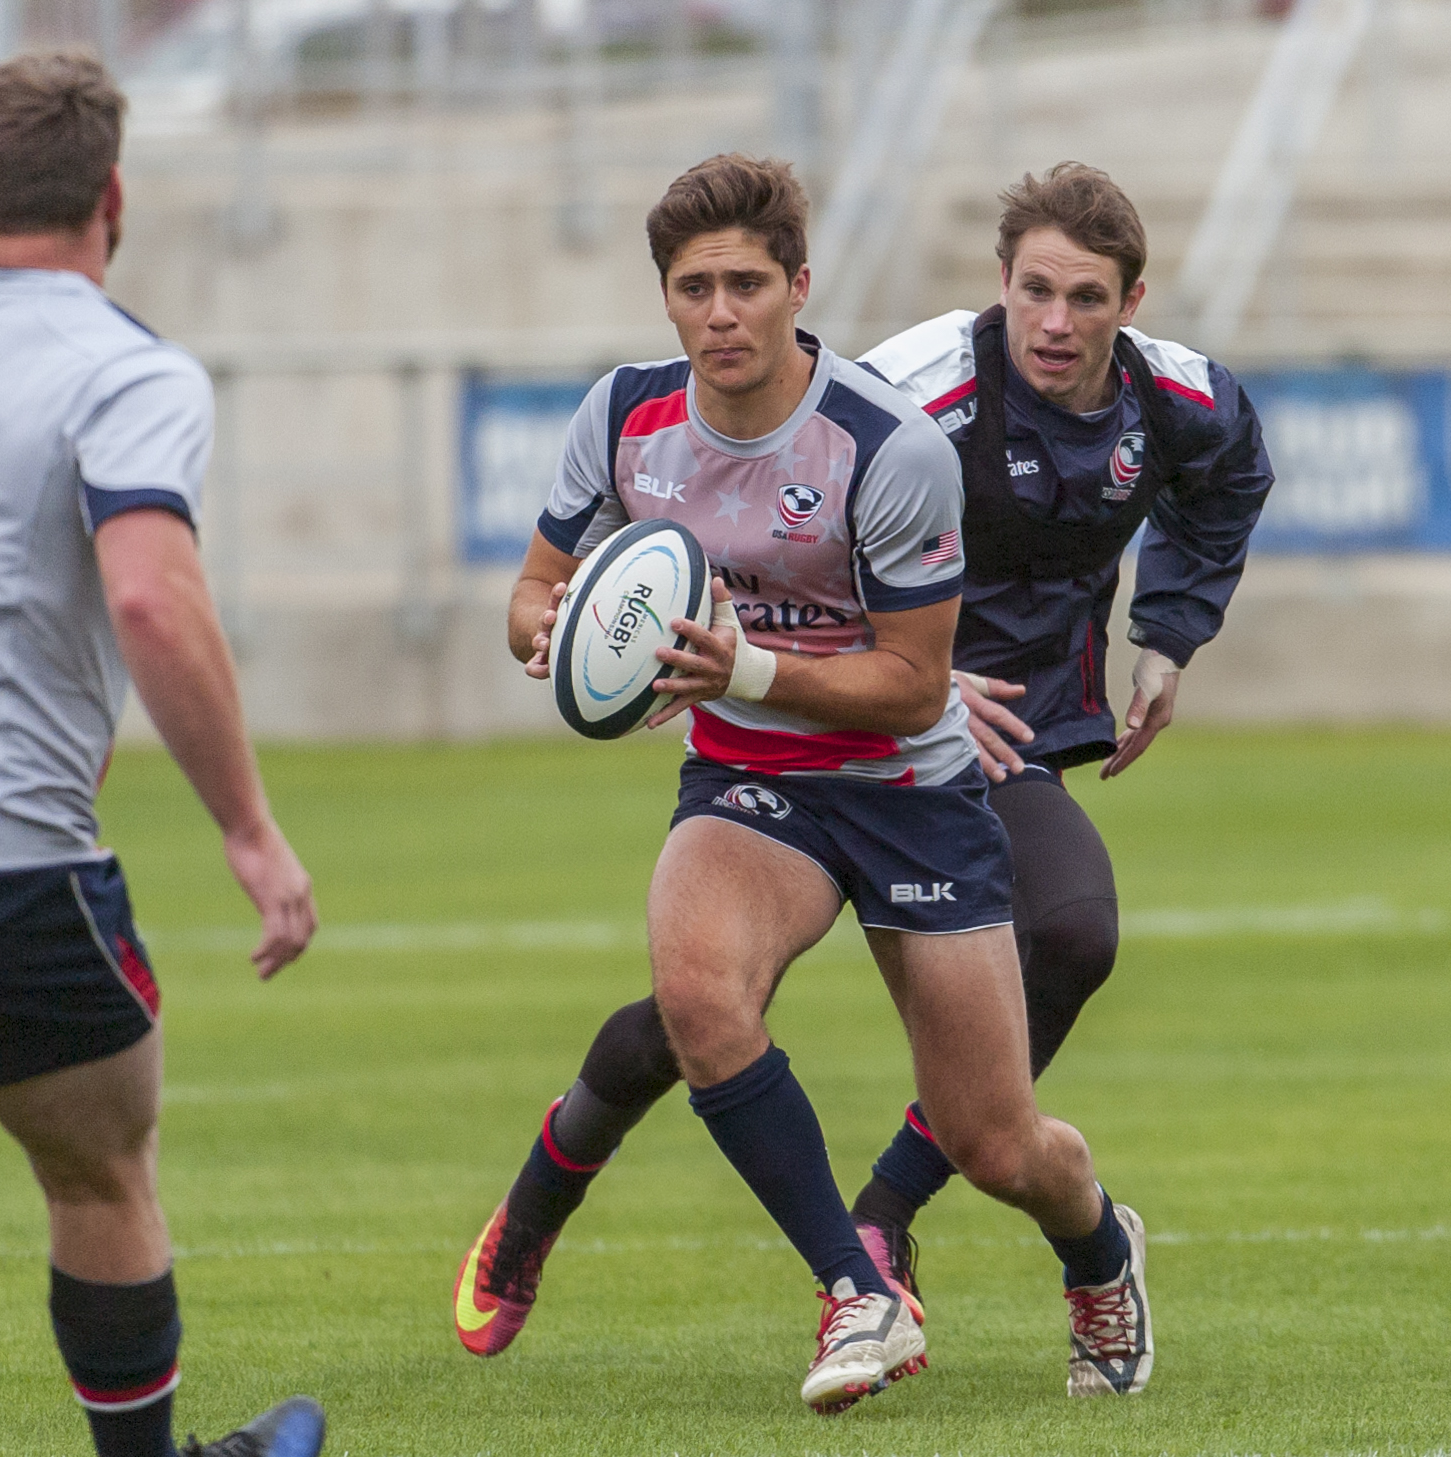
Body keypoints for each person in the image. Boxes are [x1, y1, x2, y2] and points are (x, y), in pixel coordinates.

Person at [454, 160, 1273, 1401]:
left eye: (745, 283)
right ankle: (860, 1286)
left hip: (918, 770)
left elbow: (907, 684)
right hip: (753, 772)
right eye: (694, 287)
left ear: (798, 286)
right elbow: (530, 592)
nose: (721, 311)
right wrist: (560, 636)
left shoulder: (882, 438)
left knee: (1001, 1140)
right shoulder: (627, 415)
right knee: (700, 995)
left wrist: (1164, 633)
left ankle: (1099, 1244)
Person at [0, 54, 327, 1457]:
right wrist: (248, 828)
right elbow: (148, 593)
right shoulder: (127, 371)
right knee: (101, 1175)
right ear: (113, 199)